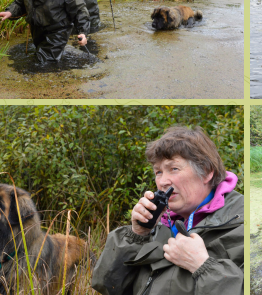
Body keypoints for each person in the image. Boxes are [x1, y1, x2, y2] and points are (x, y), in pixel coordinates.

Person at [91, 125, 244, 295]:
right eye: (158, 172)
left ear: (207, 172)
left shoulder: (242, 222)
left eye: (174, 169)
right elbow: (106, 286)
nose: (163, 181)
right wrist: (136, 235)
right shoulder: (158, 223)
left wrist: (203, 266)